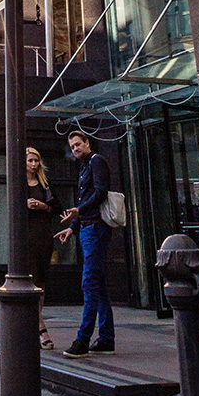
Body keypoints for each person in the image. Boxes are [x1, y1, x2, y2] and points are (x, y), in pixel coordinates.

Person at [55, 129, 114, 356]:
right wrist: (72, 227)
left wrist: (78, 212)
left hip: (96, 229)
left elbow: (100, 193)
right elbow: (87, 201)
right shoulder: (83, 167)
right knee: (99, 286)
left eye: (78, 144)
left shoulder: (96, 161)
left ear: (87, 143)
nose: (75, 149)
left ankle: (83, 339)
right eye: (72, 147)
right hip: (88, 229)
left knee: (89, 284)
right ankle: (106, 339)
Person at [26, 147, 60, 349]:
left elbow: (57, 207)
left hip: (43, 235)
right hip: (26, 236)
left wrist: (43, 206)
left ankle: (35, 323)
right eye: (30, 160)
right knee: (30, 279)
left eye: (36, 160)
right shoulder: (19, 183)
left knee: (41, 280)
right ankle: (40, 327)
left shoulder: (45, 183)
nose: (33, 164)